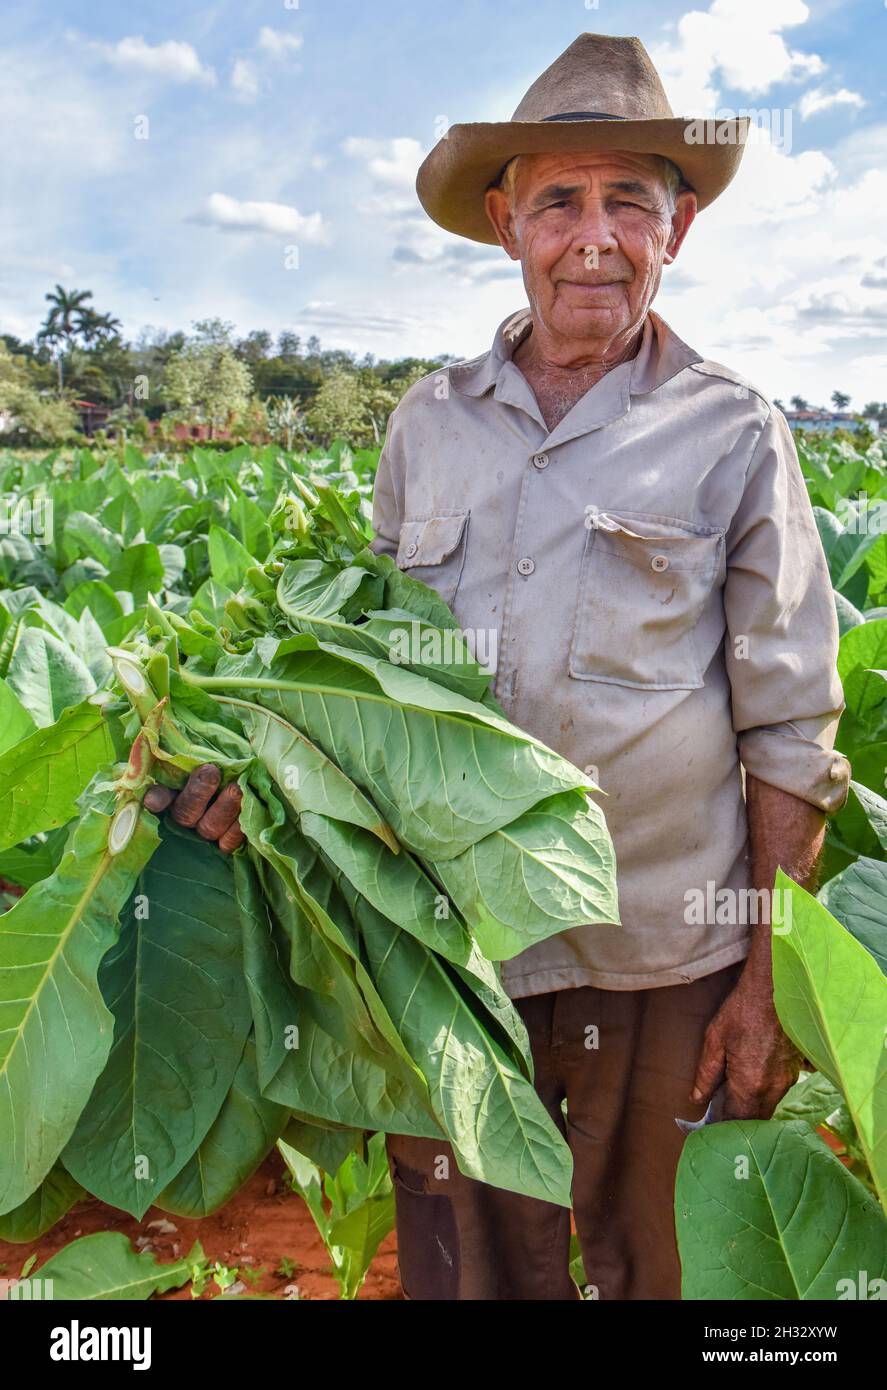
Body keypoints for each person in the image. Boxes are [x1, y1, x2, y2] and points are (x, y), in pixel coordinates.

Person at [152, 33, 850, 1300]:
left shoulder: (734, 433)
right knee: (472, 1267)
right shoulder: (428, 422)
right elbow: (353, 671)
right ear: (504, 223)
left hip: (662, 959)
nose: (593, 236)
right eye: (558, 202)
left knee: (668, 1262)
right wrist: (242, 771)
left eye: (627, 202)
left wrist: (763, 984)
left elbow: (791, 735)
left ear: (674, 230)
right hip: (450, 954)